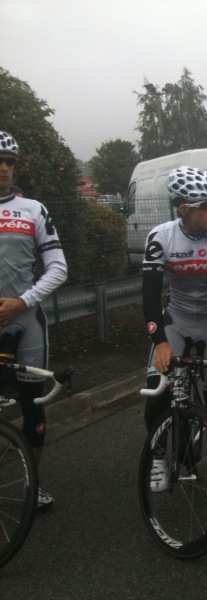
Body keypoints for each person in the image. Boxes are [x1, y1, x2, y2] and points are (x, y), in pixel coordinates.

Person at [142, 166, 207, 498]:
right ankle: (158, 457)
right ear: (183, 209)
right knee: (156, 397)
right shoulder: (161, 236)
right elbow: (148, 295)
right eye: (206, 205)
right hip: (178, 320)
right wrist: (159, 342)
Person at [0, 131, 68, 510]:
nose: (5, 167)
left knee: (32, 404)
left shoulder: (33, 210)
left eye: (10, 161)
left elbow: (58, 268)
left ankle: (30, 483)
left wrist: (21, 301)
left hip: (25, 321)